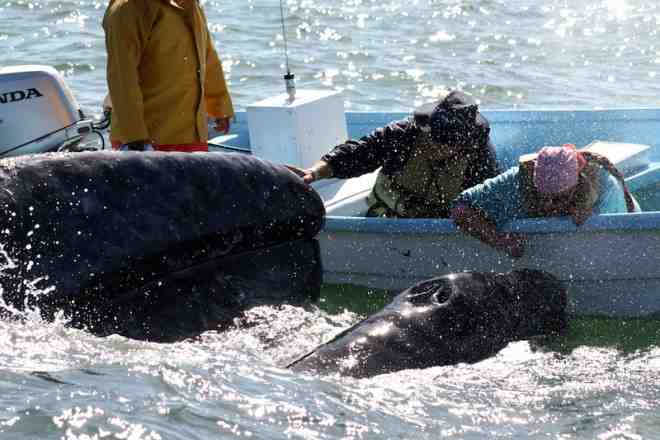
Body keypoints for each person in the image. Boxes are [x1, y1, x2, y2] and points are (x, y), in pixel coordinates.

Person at [289, 91, 499, 218]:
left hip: (442, 223)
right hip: (389, 217)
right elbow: (356, 153)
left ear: (463, 143)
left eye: (447, 143)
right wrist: (314, 173)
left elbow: (490, 198)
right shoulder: (403, 134)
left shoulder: (478, 153)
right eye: (434, 138)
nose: (437, 146)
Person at [450, 144, 639, 258]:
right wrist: (500, 241)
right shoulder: (517, 180)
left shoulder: (605, 186)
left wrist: (592, 219)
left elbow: (620, 246)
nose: (549, 205)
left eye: (559, 198)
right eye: (542, 196)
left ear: (578, 183)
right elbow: (460, 208)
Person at [103, 0, 234, 152]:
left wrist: (219, 107)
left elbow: (208, 57)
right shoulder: (128, 8)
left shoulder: (190, 4)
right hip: (146, 141)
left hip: (191, 137)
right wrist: (135, 139)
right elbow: (122, 78)